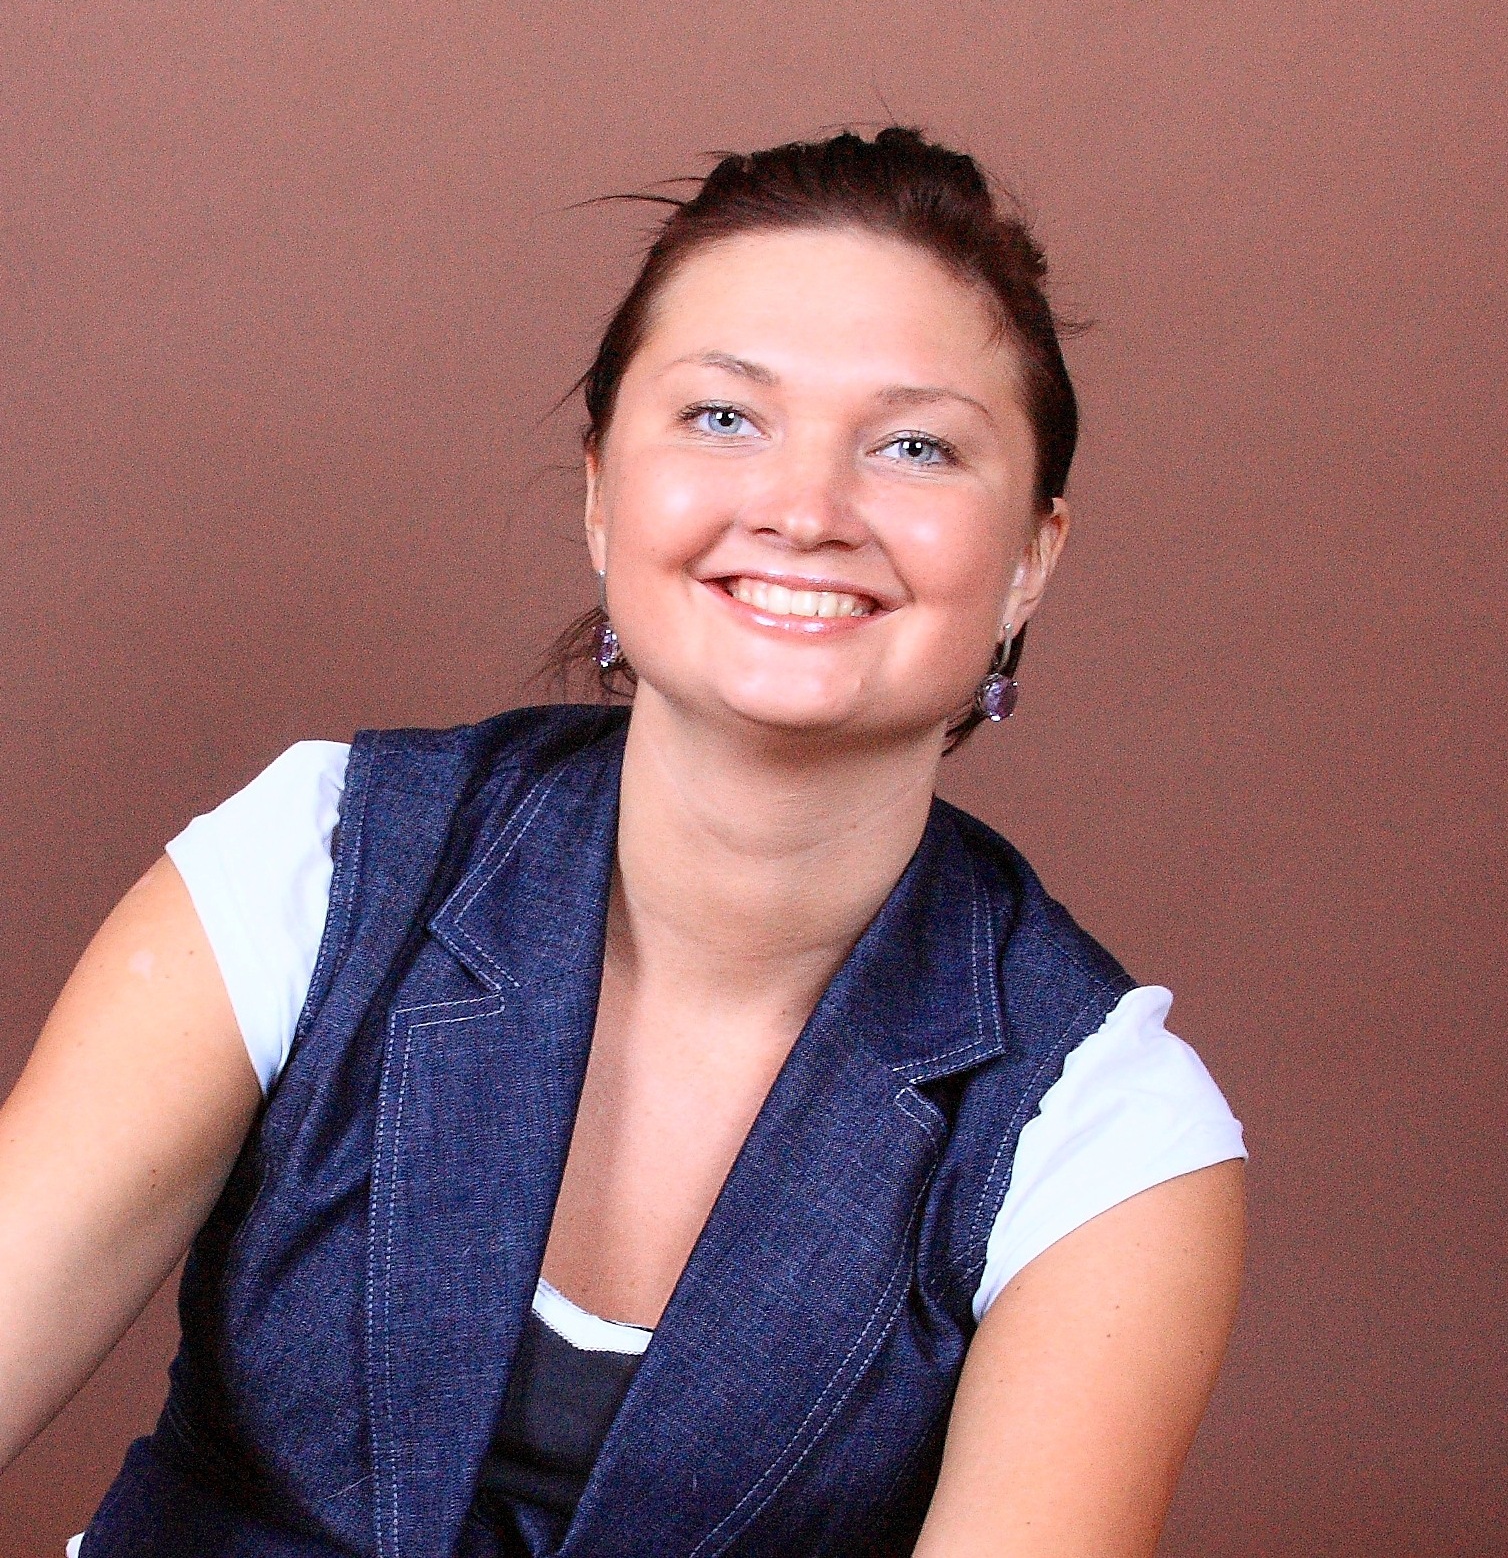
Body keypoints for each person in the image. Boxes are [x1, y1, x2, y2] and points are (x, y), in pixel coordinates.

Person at [0, 128, 1246, 1557]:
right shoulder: (323, 860)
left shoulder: (1108, 1134)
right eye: (723, 417)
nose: (804, 511)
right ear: (600, 490)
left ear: (1031, 556)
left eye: (915, 446)